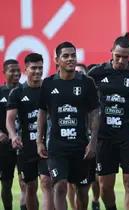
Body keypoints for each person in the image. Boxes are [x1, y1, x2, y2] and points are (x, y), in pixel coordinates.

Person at [88, 32, 129, 210]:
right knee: (104, 186)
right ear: (111, 51)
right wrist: (88, 135)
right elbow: (87, 106)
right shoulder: (96, 73)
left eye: (125, 57)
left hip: (128, 136)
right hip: (103, 136)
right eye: (117, 56)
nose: (121, 60)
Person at [36, 41, 100, 210]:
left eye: (73, 55)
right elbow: (42, 113)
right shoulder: (48, 84)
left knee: (82, 191)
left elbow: (95, 113)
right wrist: (39, 141)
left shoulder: (87, 83)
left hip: (81, 146)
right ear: (57, 60)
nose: (70, 59)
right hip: (57, 147)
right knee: (60, 186)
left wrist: (93, 142)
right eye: (65, 56)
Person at [6, 53, 54, 210]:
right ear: (25, 69)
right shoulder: (17, 93)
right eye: (34, 68)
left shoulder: (50, 90)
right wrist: (13, 136)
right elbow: (10, 119)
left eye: (40, 67)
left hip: (47, 145)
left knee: (47, 183)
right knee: (30, 187)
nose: (38, 71)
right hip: (26, 147)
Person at [68, 62, 101, 210]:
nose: (78, 74)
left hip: (91, 142)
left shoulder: (92, 93)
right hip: (71, 142)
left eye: (82, 72)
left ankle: (95, 200)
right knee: (69, 183)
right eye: (77, 72)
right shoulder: (66, 93)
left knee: (94, 179)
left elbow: (96, 114)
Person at [0, 59, 24, 210]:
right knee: (7, 183)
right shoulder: (0, 92)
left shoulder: (26, 90)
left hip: (24, 144)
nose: (16, 74)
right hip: (4, 146)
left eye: (18, 70)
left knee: (26, 182)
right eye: (12, 71)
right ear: (4, 73)